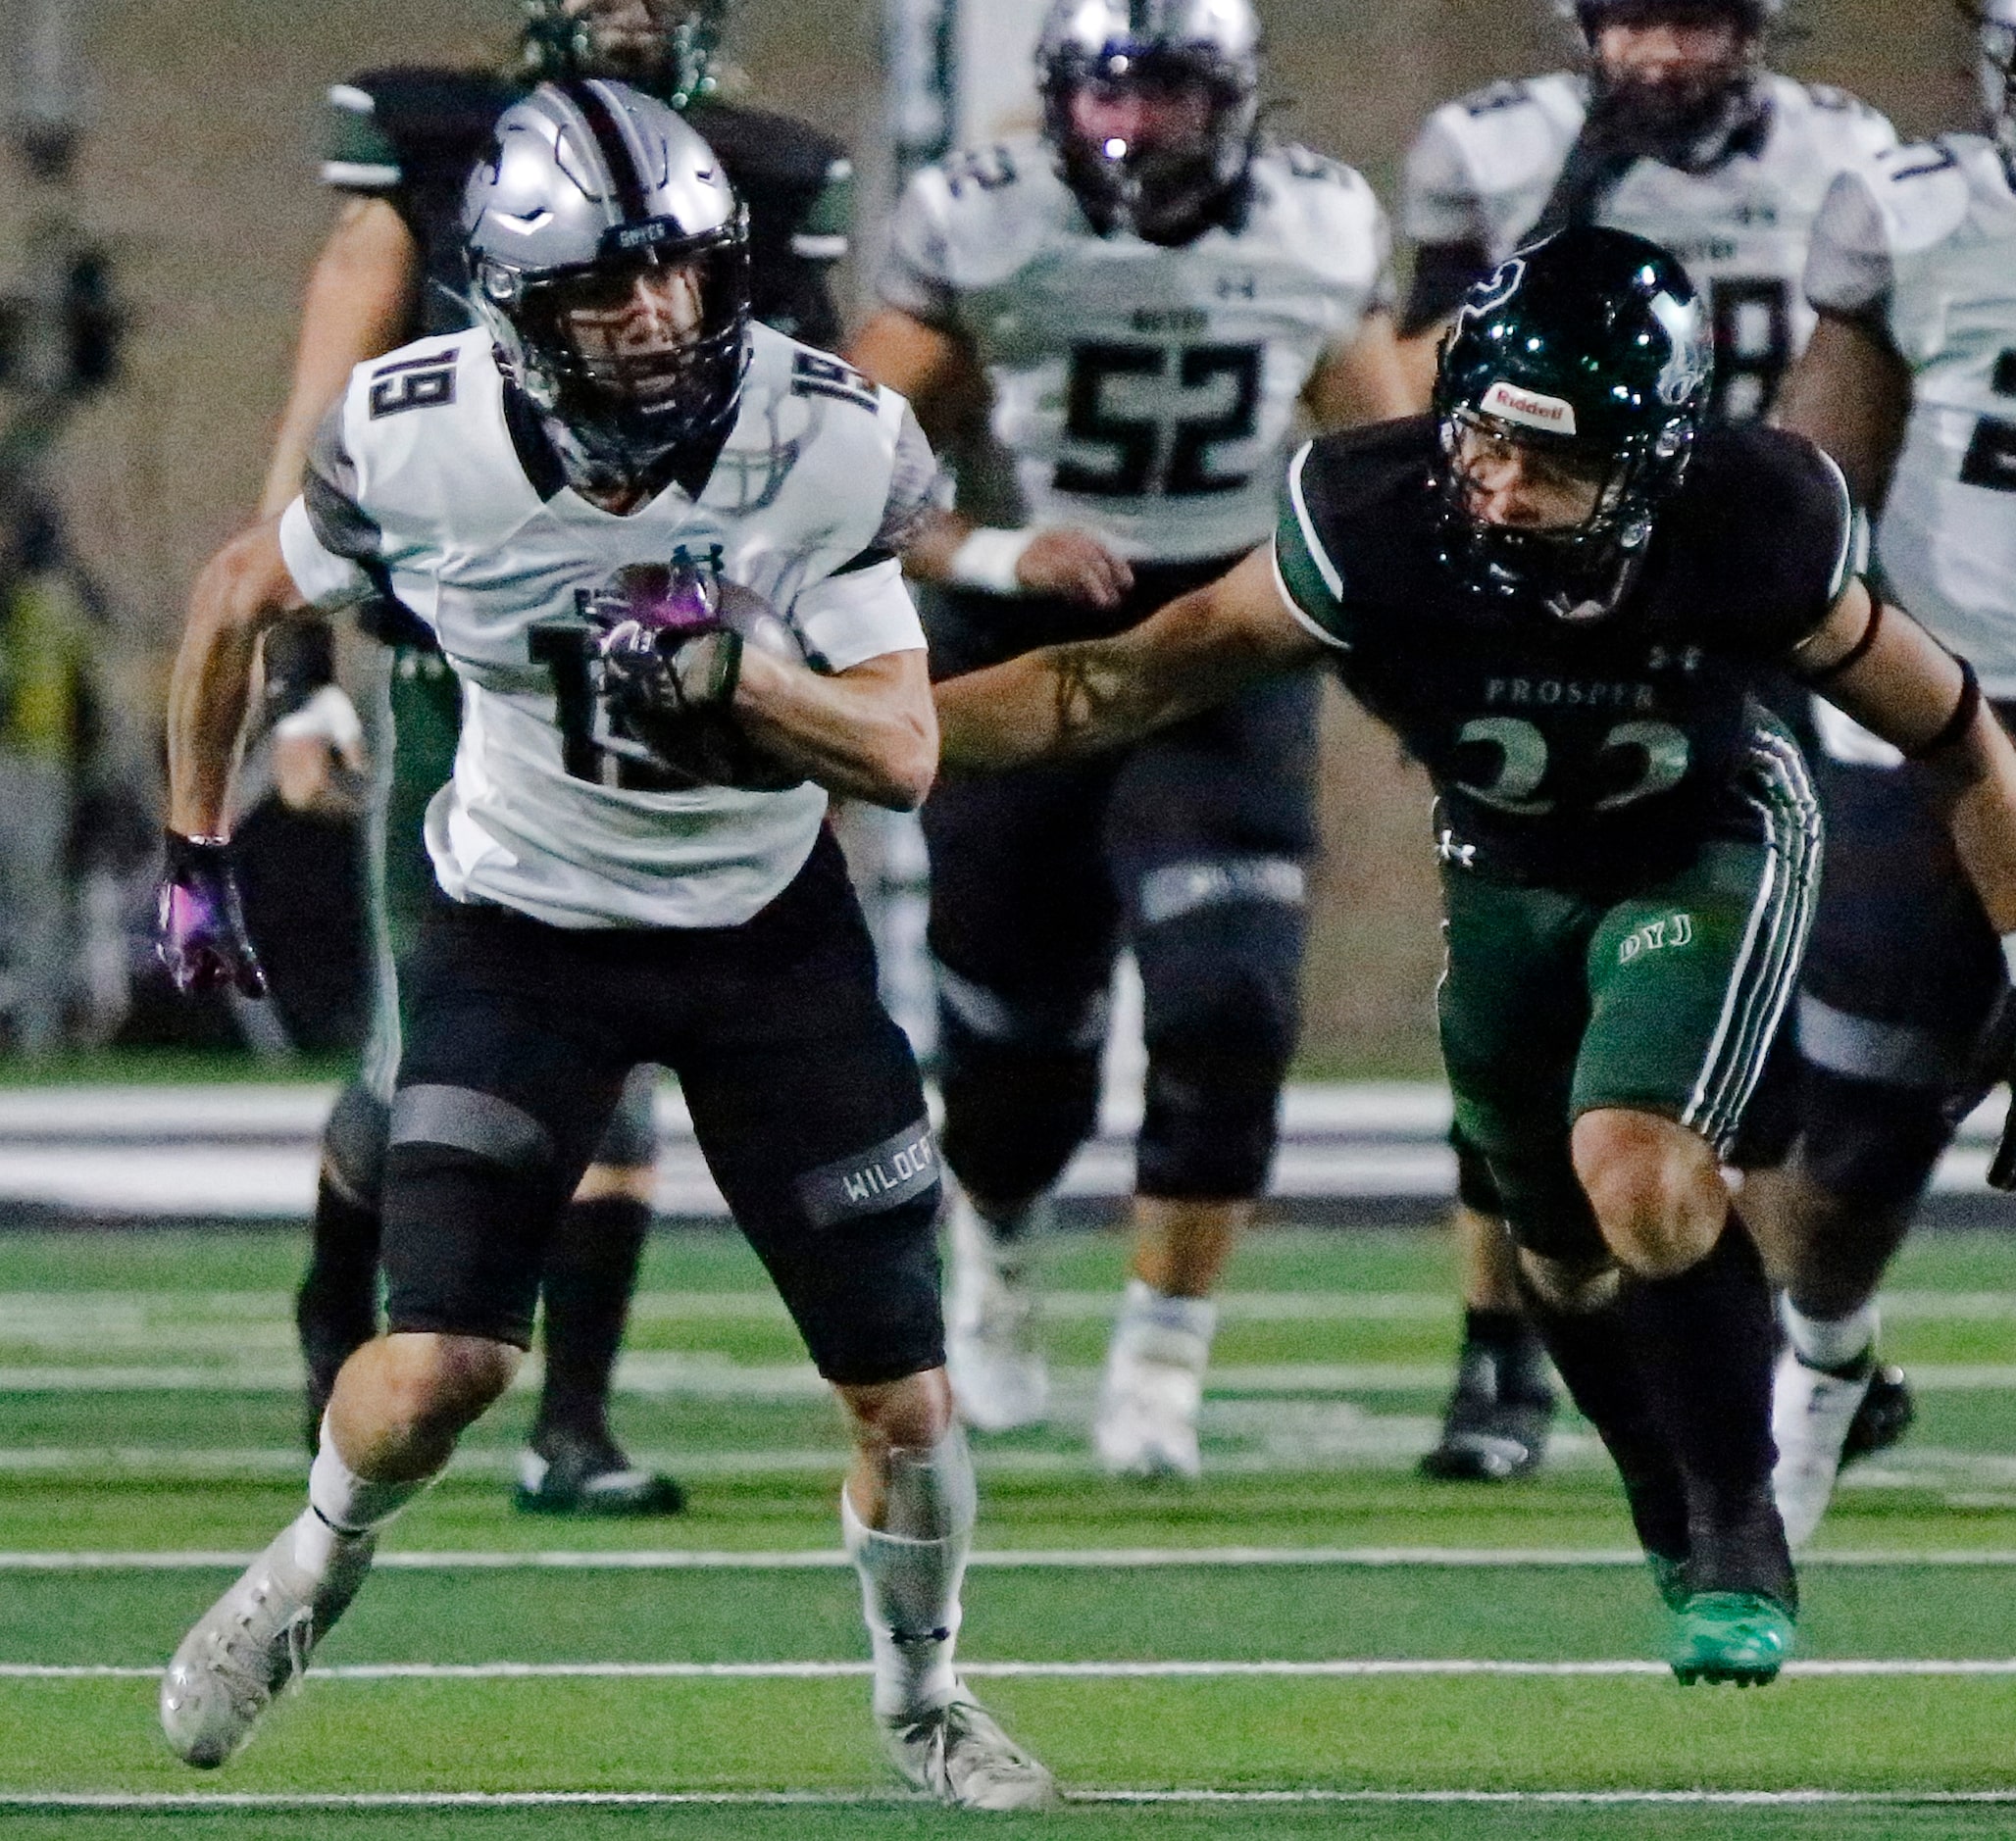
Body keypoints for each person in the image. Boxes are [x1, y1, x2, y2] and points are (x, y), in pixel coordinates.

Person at [932, 224, 2016, 1681]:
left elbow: (1951, 728)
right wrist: (848, 729)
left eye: (1552, 465)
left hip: (1707, 836)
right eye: (1483, 442)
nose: (1499, 486)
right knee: (1552, 1248)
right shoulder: (1371, 513)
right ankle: (1663, 1504)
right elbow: (1107, 681)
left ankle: (1742, 1524)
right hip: (1503, 868)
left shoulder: (1750, 516)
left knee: (1644, 1176)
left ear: (1655, 461)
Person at [153, 83, 1052, 1808]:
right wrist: (196, 848)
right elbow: (230, 598)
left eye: (684, 276)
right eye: (603, 288)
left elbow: (904, 748)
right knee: (440, 1374)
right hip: (522, 925)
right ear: (511, 299)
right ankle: (303, 1572)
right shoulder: (415, 433)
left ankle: (925, 1697)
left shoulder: (826, 433)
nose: (656, 318)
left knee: (908, 1402)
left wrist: (746, 677)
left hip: (759, 933)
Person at [262, 0, 855, 1515]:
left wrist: (818, 656)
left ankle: (570, 1421)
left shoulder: (765, 175)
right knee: (418, 1064)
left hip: (664, 651)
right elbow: (323, 413)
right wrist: (297, 670)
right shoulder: (430, 144)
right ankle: (338, 1321)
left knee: (617, 1031)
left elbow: (827, 430)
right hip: (462, 658)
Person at [845, 0, 1411, 1478]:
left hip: (1228, 631)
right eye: (1105, 91)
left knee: (1232, 1004)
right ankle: (1006, 1253)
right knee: (1015, 1043)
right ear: (1051, 98)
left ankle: (1162, 1354)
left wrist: (1417, 654)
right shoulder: (982, 223)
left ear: (1234, 101)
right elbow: (842, 466)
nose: (1131, 127)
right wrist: (989, 555)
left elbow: (1383, 469)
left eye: (1167, 92)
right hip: (1022, 630)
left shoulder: (1314, 227)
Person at [1396, 0, 1905, 1484]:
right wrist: (1573, 199)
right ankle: (1497, 1346)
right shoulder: (1493, 149)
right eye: (1635, 19)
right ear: (1585, 28)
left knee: (1754, 1021)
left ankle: (1751, 1337)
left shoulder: (1845, 154)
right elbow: (1419, 369)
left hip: (1736, 582)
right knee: (1517, 990)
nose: (1663, 54)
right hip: (1539, 603)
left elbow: (1868, 383)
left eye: (1696, 20)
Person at [1746, 0, 2016, 1559]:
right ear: (2011, 75)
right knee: (1856, 1144)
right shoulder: (1921, 215)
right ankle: (1825, 1361)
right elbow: (1810, 492)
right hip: (1933, 724)